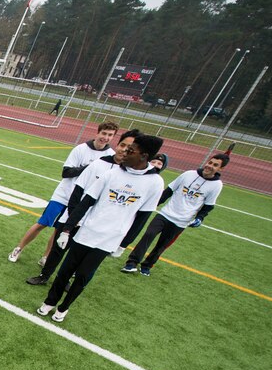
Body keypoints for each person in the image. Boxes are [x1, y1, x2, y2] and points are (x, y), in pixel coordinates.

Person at [37, 134, 165, 322]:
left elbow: (142, 218)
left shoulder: (155, 182)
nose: (125, 153)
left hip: (110, 238)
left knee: (82, 276)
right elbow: (86, 202)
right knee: (65, 271)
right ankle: (50, 301)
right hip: (87, 231)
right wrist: (67, 229)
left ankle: (64, 307)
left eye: (131, 151)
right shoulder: (112, 173)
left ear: (144, 156)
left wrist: (123, 245)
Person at [25, 128, 140, 286]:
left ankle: (63, 280)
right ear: (118, 144)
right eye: (123, 145)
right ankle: (44, 275)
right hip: (74, 216)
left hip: (94, 223)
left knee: (76, 254)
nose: (125, 150)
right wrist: (74, 216)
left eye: (130, 148)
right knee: (58, 248)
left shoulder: (132, 176)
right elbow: (78, 190)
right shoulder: (99, 164)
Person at [8, 121, 118, 263]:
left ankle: (46, 257)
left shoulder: (111, 155)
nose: (106, 137)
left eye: (110, 135)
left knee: (59, 230)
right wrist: (89, 168)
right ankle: (19, 248)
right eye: (104, 133)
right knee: (43, 223)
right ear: (97, 133)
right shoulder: (81, 149)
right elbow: (66, 172)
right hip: (63, 196)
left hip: (80, 201)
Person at [121, 153, 226, 276]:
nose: (210, 166)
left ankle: (147, 265)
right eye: (210, 162)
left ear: (220, 169)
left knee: (162, 245)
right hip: (165, 214)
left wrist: (199, 218)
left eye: (215, 165)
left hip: (181, 222)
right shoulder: (188, 174)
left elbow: (208, 205)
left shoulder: (217, 185)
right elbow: (169, 191)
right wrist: (152, 204)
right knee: (148, 235)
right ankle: (131, 263)